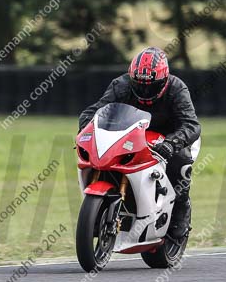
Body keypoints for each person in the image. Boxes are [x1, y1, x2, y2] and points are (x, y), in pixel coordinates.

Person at [78, 46, 201, 243]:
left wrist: (172, 143)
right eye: (139, 84)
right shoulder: (121, 85)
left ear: (164, 80)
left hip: (170, 136)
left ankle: (181, 212)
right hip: (132, 134)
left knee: (181, 165)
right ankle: (105, 208)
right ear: (132, 78)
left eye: (151, 86)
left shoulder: (177, 88)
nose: (145, 90)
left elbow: (191, 125)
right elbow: (94, 112)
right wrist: (86, 132)